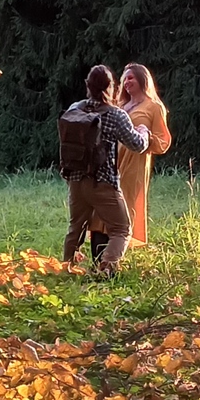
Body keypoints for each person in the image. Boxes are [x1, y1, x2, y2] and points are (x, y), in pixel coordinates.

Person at [59, 65, 148, 274]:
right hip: (102, 182)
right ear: (111, 87)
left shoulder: (74, 110)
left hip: (75, 179)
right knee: (122, 229)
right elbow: (137, 144)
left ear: (87, 86)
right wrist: (144, 132)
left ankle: (66, 270)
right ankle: (106, 268)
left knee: (76, 228)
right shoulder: (116, 115)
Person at [115, 63, 172, 249]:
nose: (126, 82)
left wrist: (146, 135)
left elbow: (163, 141)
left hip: (135, 162)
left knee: (126, 201)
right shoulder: (120, 105)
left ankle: (123, 248)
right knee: (108, 200)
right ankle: (106, 247)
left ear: (142, 79)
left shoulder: (154, 107)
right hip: (112, 160)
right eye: (124, 79)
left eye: (130, 77)